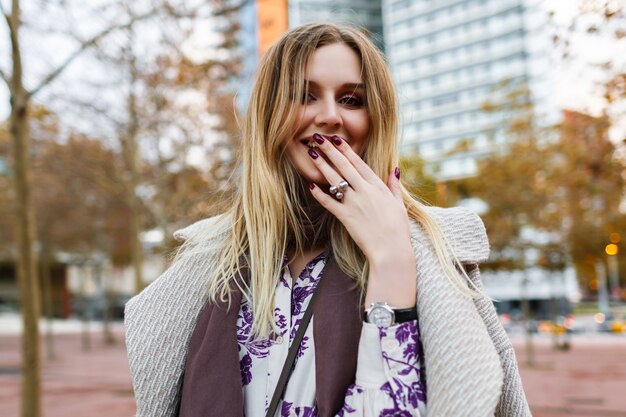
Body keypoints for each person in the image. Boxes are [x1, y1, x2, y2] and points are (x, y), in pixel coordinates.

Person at [124, 23, 531, 417]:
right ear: (270, 115)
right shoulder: (212, 261)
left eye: (352, 100)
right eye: (305, 95)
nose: (331, 116)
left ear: (376, 119)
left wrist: (391, 257)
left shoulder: (432, 251)